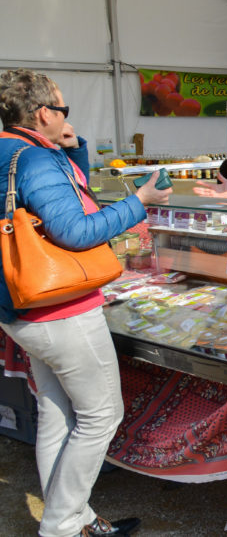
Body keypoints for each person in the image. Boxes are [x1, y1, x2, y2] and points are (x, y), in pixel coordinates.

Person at [0, 68, 171, 537]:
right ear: (42, 113)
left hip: (23, 309)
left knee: (58, 413)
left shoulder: (8, 151)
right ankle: (59, 525)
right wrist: (140, 200)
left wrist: (71, 148)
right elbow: (75, 229)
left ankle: (76, 518)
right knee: (101, 416)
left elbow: (68, 197)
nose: (66, 116)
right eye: (63, 110)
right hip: (62, 311)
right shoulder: (34, 160)